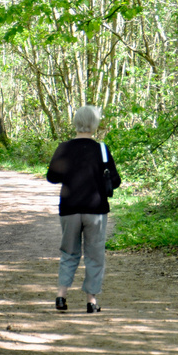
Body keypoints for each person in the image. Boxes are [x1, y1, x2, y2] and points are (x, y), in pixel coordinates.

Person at [46, 105, 121, 314]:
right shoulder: (102, 150)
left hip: (69, 208)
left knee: (69, 253)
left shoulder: (63, 148)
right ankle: (91, 300)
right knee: (94, 254)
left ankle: (61, 296)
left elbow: (52, 177)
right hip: (95, 210)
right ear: (94, 124)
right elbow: (115, 181)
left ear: (76, 122)